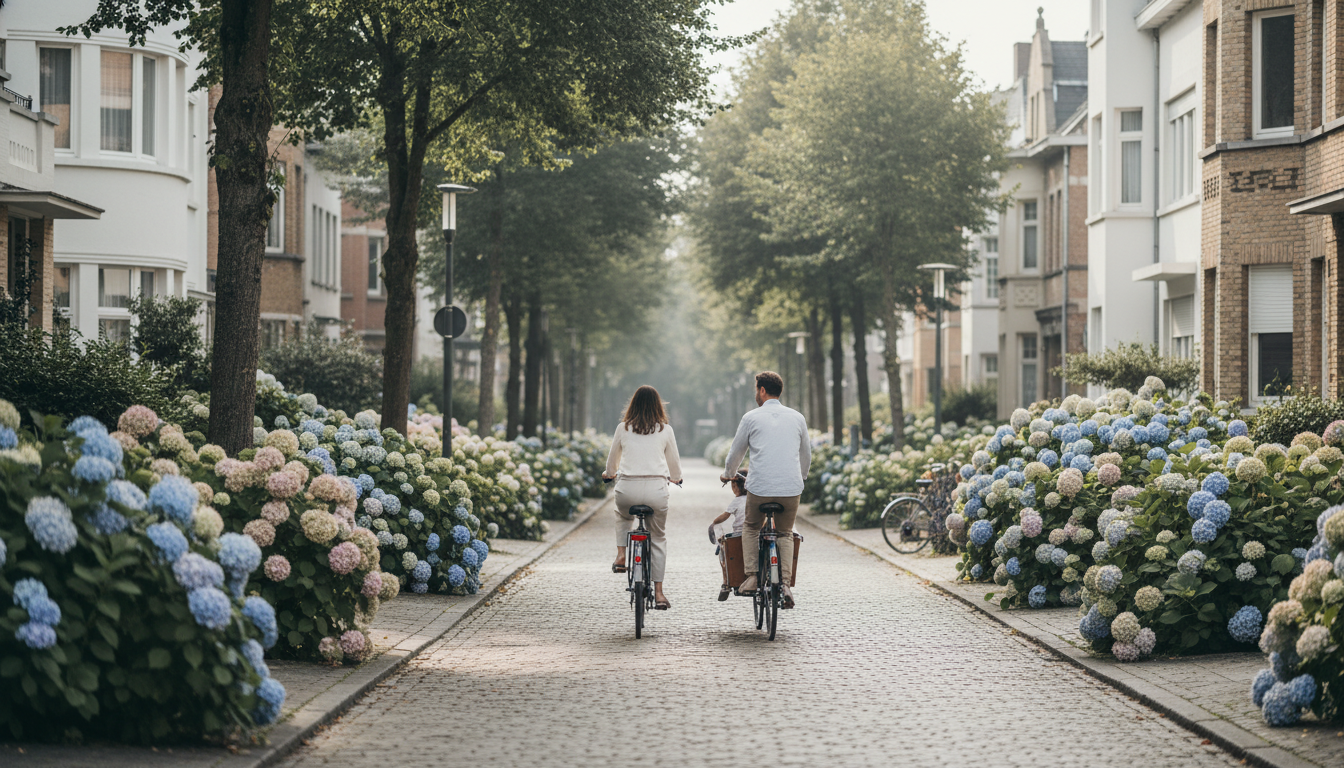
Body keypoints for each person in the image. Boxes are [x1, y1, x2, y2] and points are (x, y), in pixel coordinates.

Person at [721, 371, 810, 608]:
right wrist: (800, 477)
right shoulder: (797, 417)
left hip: (760, 489)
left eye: (756, 390)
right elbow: (806, 455)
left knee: (751, 527)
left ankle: (751, 576)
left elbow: (736, 453)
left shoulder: (751, 417)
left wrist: (729, 473)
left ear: (762, 390)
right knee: (785, 532)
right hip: (790, 489)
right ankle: (786, 585)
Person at [603, 384, 683, 610]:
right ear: (658, 406)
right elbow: (674, 465)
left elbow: (612, 463)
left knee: (622, 515)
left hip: (627, 489)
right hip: (656, 491)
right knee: (657, 537)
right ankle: (659, 593)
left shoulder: (623, 428)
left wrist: (609, 474)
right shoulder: (666, 430)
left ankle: (621, 555)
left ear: (633, 405)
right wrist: (677, 478)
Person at [709, 471, 748, 601]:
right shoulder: (754, 499)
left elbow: (725, 516)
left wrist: (714, 522)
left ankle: (726, 583)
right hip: (755, 534)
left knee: (723, 551)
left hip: (738, 535)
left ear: (735, 486)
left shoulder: (737, 501)